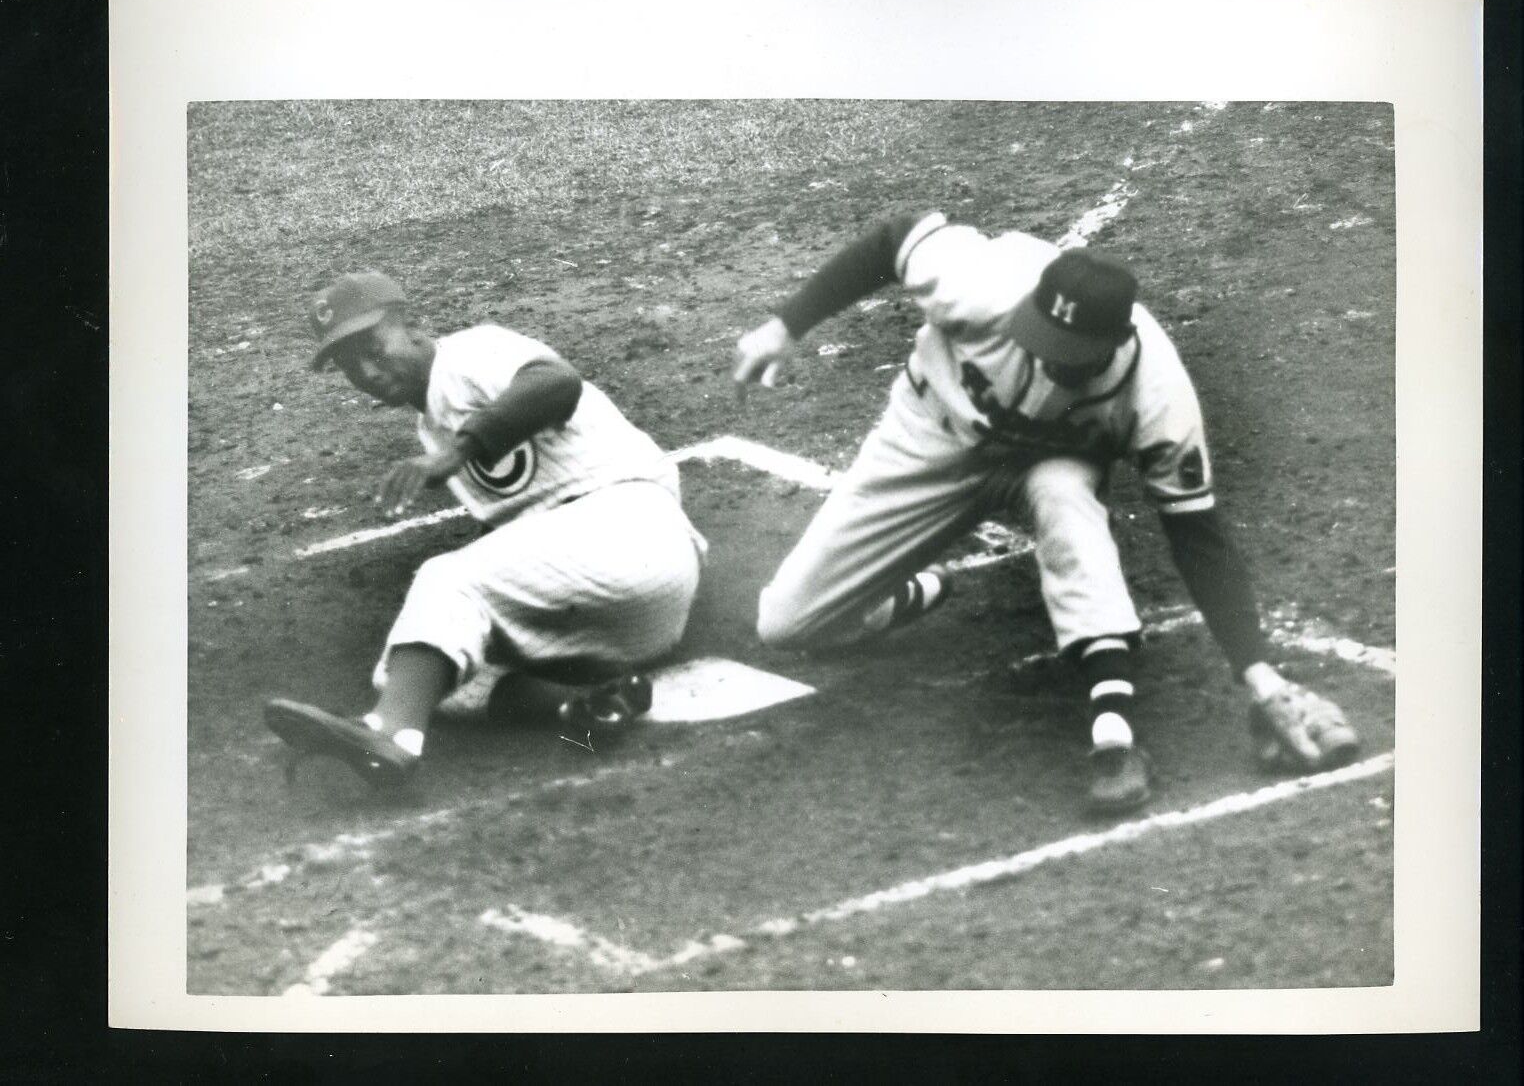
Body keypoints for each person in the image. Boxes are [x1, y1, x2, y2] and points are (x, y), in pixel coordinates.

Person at [733, 211, 1360, 814]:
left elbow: (1196, 532)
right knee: (787, 624)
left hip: (1049, 468)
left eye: (1067, 353)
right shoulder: (984, 284)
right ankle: (895, 597)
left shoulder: (1159, 395)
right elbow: (893, 240)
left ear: (1114, 345)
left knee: (1067, 496)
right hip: (932, 435)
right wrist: (787, 325)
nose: (1045, 357)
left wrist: (1261, 677)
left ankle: (1113, 731)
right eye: (1042, 338)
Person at [265, 271, 706, 788]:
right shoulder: (430, 424)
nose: (366, 370)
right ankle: (588, 713)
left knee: (446, 579)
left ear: (410, 327)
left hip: (631, 530)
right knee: (409, 670)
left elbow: (557, 383)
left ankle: (390, 739)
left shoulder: (473, 354)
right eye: (348, 364)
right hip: (627, 624)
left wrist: (457, 451)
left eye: (373, 348)